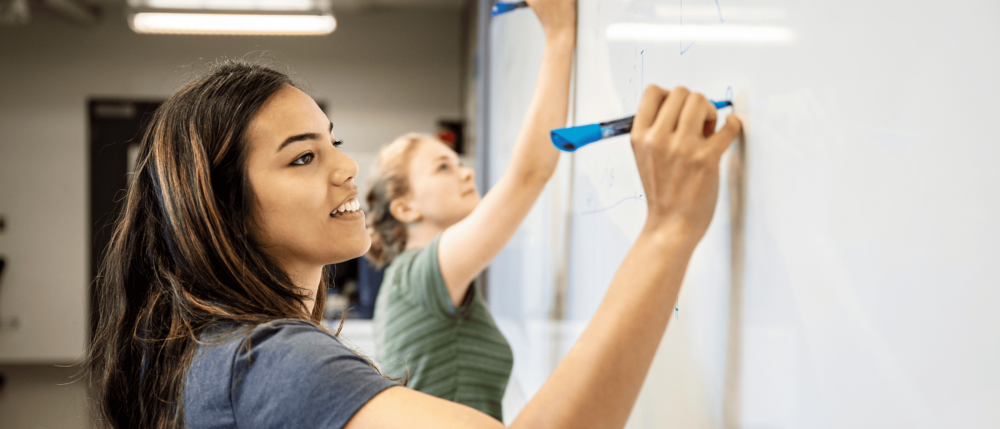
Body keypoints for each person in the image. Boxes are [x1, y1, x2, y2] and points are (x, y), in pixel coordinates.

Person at [88, 32, 741, 429]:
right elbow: (528, 175)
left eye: (333, 141)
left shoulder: (224, 351)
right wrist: (670, 226)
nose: (346, 166)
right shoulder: (271, 362)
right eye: (303, 155)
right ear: (223, 208)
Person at [364, 0, 574, 420]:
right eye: (444, 167)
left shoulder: (416, 282)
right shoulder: (419, 275)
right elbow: (529, 174)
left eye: (459, 162)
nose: (466, 173)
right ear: (405, 207)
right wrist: (560, 36)